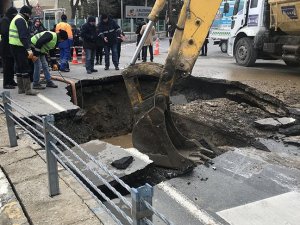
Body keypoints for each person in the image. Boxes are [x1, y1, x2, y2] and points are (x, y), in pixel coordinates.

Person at [9, 5, 37, 95]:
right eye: (29, 15)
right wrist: (28, 49)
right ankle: (28, 90)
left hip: (14, 46)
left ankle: (21, 89)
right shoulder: (20, 20)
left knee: (19, 67)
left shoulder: (16, 18)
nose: (29, 17)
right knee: (25, 67)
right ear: (25, 13)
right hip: (19, 47)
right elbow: (23, 36)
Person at [0, 7, 18, 89]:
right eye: (14, 15)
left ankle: (11, 81)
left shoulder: (8, 20)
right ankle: (6, 83)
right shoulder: (5, 20)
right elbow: (4, 32)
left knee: (10, 65)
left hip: (9, 47)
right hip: (5, 47)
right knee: (7, 66)